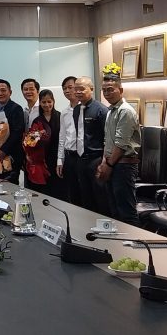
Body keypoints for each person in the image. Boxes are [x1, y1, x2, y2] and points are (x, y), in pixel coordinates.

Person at [96, 75, 141, 225]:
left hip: (124, 166)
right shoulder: (111, 111)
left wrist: (108, 165)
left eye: (110, 89)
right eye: (104, 90)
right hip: (112, 163)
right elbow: (107, 141)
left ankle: (134, 239)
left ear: (120, 90)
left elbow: (121, 144)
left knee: (126, 212)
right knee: (114, 211)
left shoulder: (125, 111)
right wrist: (104, 162)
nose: (107, 93)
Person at [67, 76, 109, 214]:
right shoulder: (76, 110)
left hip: (96, 159)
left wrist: (104, 162)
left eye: (81, 89)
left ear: (91, 89)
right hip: (80, 159)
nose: (78, 92)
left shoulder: (101, 110)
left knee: (100, 198)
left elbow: (107, 138)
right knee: (85, 197)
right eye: (76, 89)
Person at [25, 89, 65, 200]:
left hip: (58, 158)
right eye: (43, 102)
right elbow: (30, 141)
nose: (47, 105)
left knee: (59, 190)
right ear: (40, 103)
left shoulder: (60, 117)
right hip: (41, 160)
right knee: (43, 191)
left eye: (49, 101)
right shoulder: (37, 120)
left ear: (53, 101)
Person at [0, 79, 25, 182]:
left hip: (10, 155)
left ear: (10, 92)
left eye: (3, 90)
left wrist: (3, 150)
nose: (0, 93)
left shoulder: (16, 108)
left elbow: (17, 132)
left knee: (10, 185)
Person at [56, 76, 82, 204]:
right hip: (69, 156)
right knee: (71, 193)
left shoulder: (85, 109)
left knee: (85, 192)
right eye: (64, 88)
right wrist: (60, 160)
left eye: (70, 87)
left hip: (83, 157)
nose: (67, 91)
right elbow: (62, 137)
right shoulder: (64, 112)